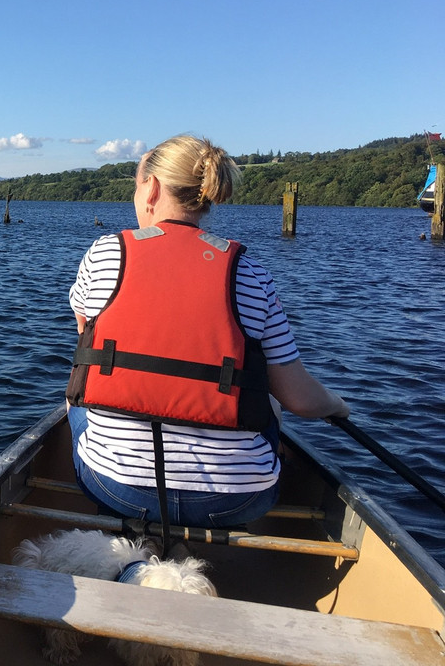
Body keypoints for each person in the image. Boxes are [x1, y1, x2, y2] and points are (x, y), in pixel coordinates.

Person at [66, 134, 349, 529]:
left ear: (151, 188)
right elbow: (299, 398)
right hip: (235, 500)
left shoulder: (105, 253)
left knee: (77, 396)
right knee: (270, 403)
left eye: (135, 185)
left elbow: (85, 337)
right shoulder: (252, 275)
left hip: (114, 486)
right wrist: (338, 405)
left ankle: (122, 531)